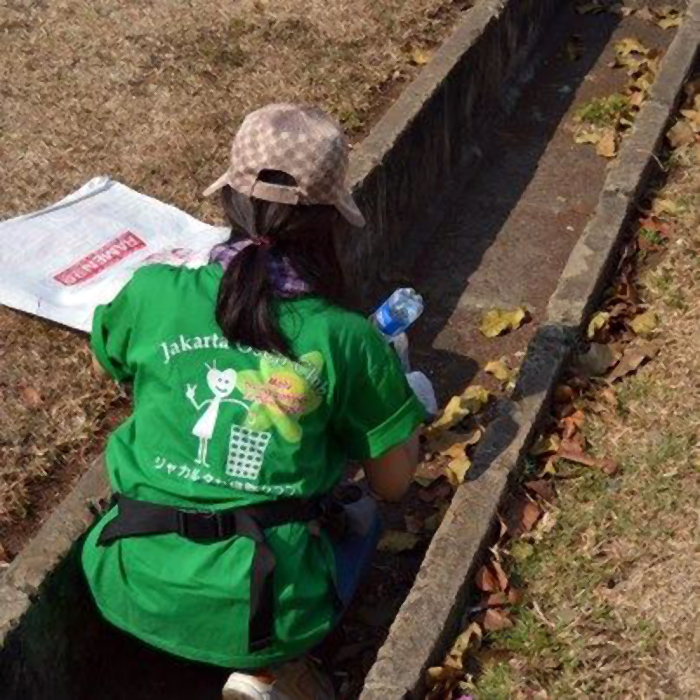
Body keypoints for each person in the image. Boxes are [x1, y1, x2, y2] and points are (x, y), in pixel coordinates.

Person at [81, 104, 428, 700]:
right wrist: (405, 401)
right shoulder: (347, 339)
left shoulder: (152, 290)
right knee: (363, 516)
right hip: (265, 610)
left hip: (125, 577)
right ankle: (268, 673)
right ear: (331, 223)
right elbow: (393, 483)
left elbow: (105, 360)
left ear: (229, 202)